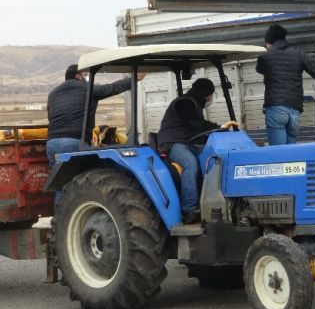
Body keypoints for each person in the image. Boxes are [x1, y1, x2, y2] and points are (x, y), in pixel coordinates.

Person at [157, 78, 236, 224]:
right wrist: (218, 127)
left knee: (210, 160)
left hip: (187, 142)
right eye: (210, 95)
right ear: (205, 94)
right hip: (172, 142)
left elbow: (196, 127)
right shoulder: (185, 102)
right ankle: (189, 209)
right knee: (190, 163)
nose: (211, 98)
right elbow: (196, 123)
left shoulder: (193, 104)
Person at [46, 64, 143, 168]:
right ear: (78, 76)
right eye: (85, 75)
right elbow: (112, 88)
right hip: (74, 141)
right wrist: (134, 79)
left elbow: (50, 116)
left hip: (51, 143)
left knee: (60, 181)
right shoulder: (87, 88)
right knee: (82, 178)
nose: (86, 78)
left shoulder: (52, 93)